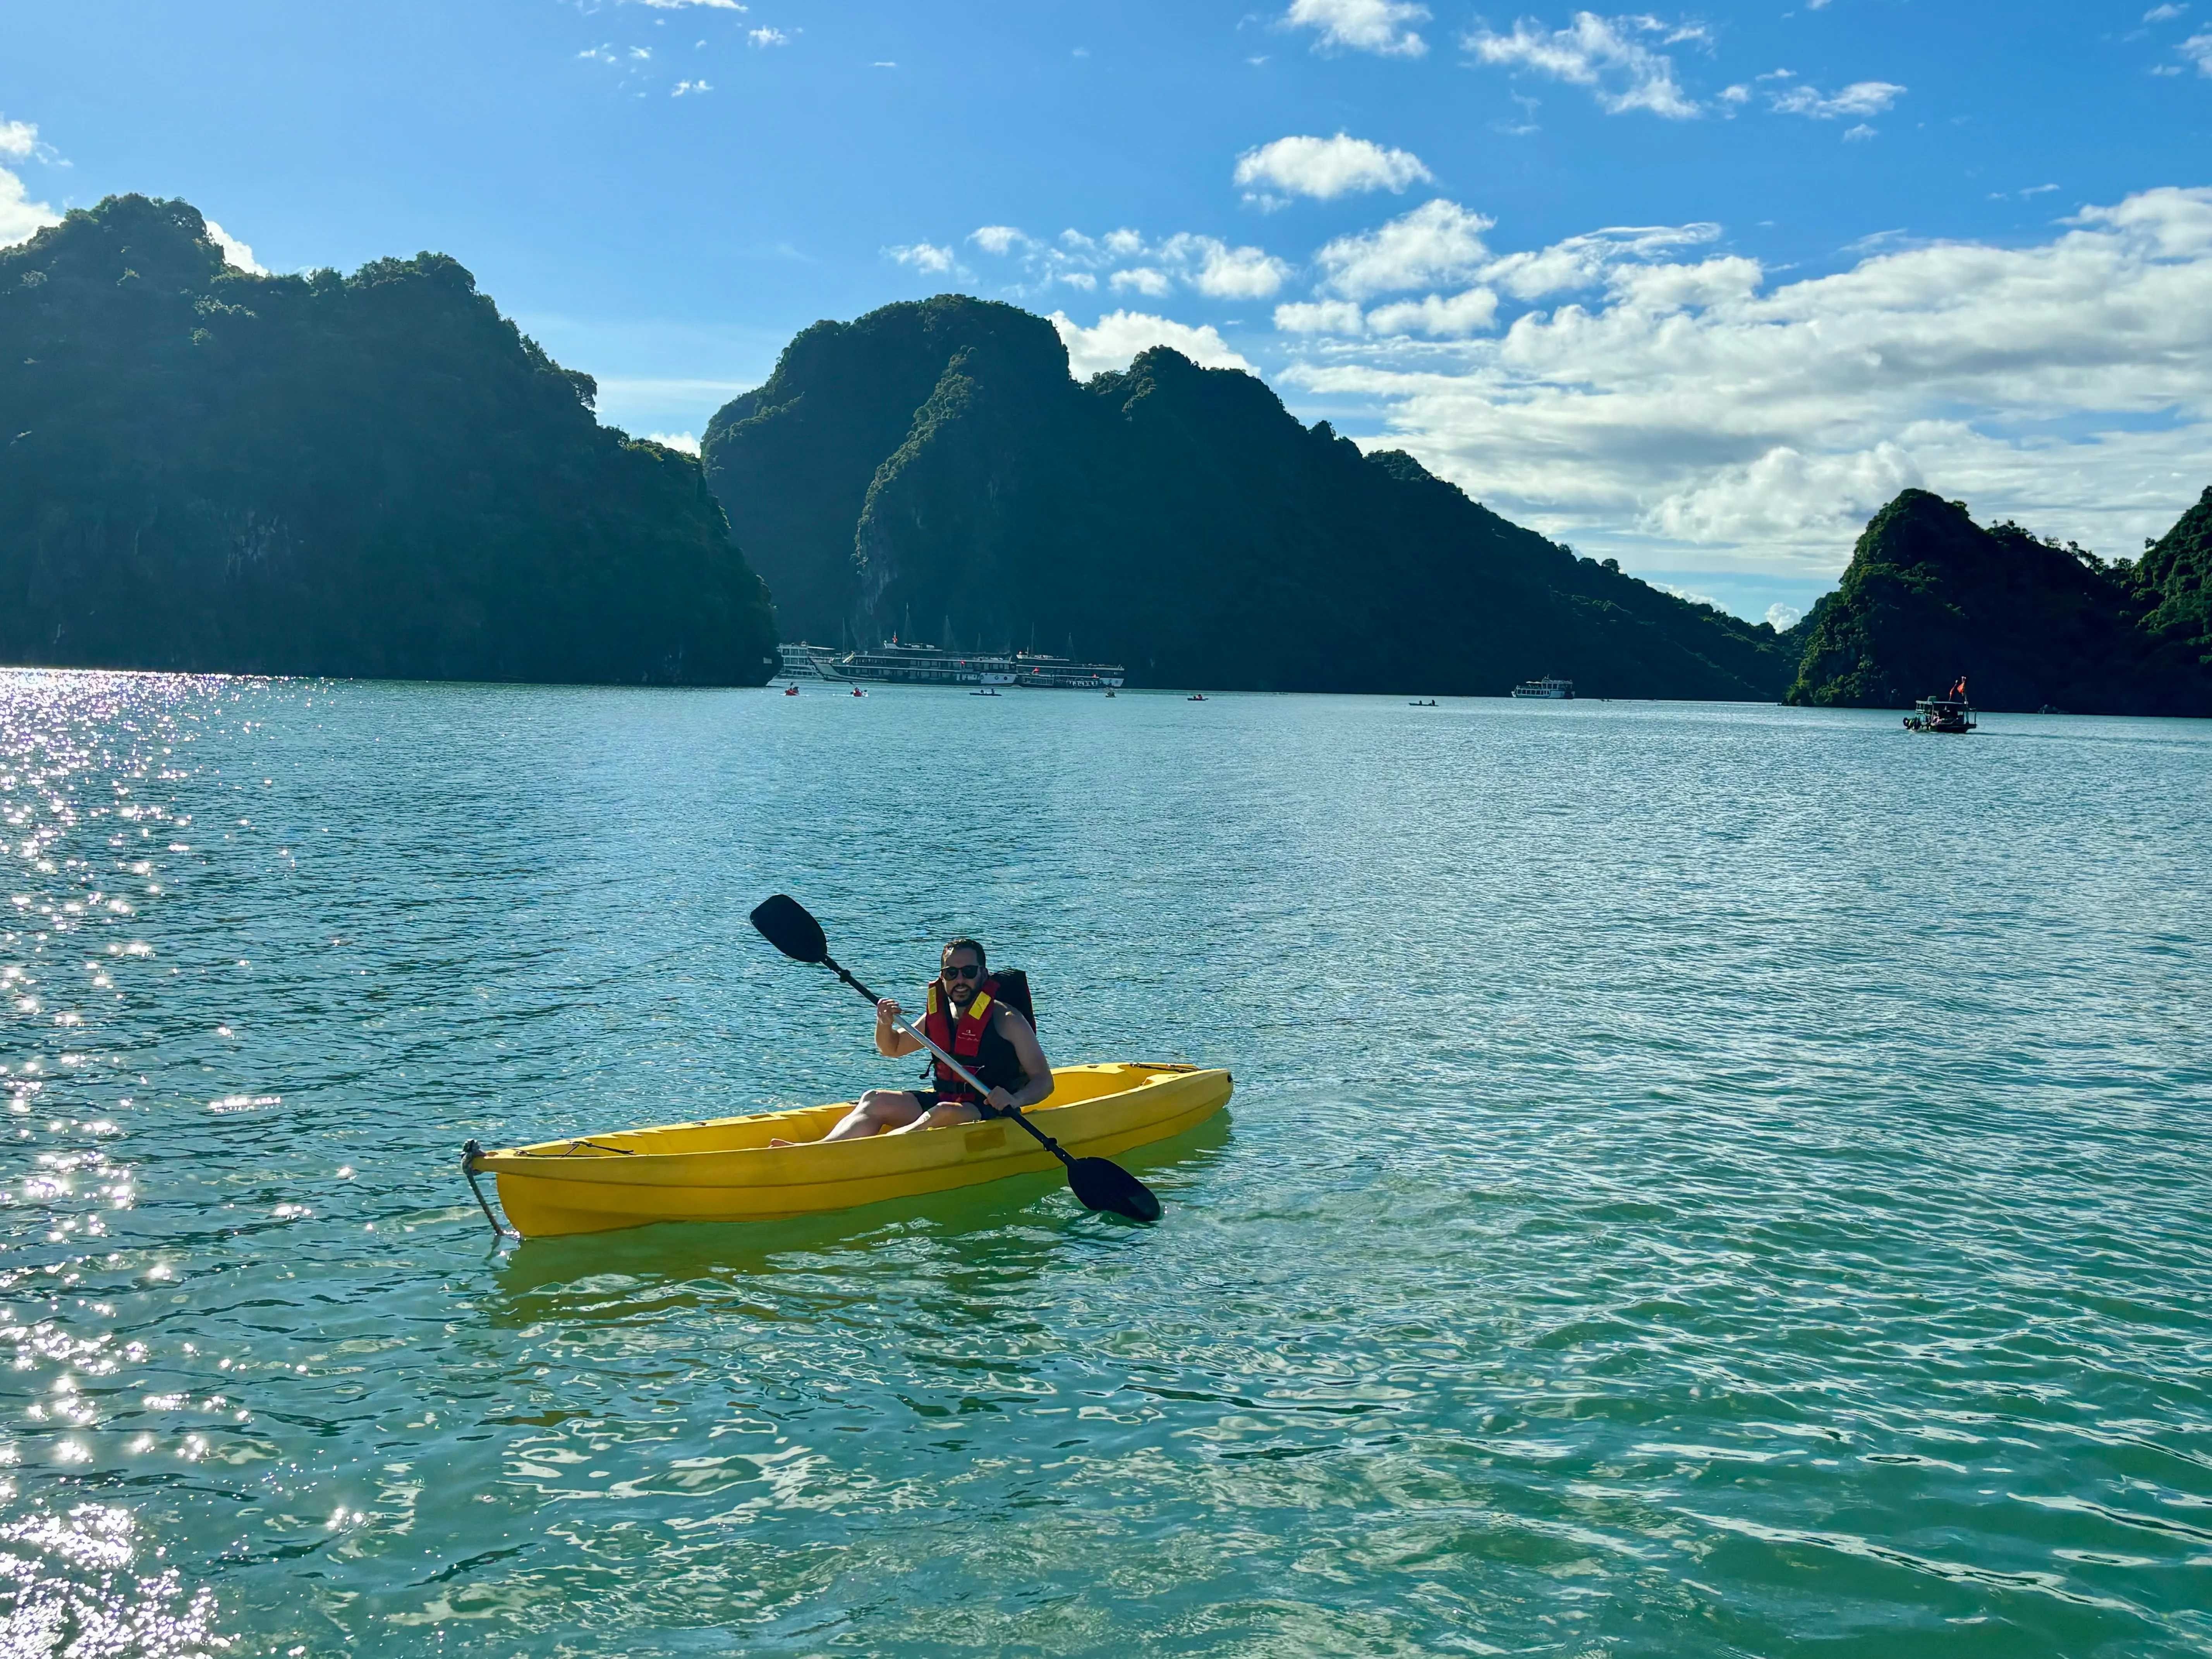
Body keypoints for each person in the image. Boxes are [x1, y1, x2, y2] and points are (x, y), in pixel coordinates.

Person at [790, 938, 1054, 1144]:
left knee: (943, 1112)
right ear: (943, 977)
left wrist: (1015, 1100)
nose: (960, 980)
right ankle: (825, 1148)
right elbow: (892, 1048)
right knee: (874, 1099)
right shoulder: (937, 1017)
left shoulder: (1007, 1019)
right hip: (945, 1099)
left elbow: (1044, 1081)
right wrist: (884, 1023)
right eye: (952, 973)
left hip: (989, 1107)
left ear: (983, 975)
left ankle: (870, 1152)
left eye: (968, 972)